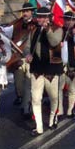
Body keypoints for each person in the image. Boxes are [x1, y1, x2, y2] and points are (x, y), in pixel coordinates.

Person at [25, 7, 63, 136]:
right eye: (38, 17)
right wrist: (27, 55)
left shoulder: (58, 29)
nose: (39, 19)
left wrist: (47, 30)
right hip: (36, 68)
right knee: (36, 98)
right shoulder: (34, 30)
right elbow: (28, 46)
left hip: (51, 68)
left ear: (48, 17)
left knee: (53, 97)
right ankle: (39, 127)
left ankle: (53, 118)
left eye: (42, 17)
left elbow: (54, 42)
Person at [8, 3, 36, 119]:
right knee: (19, 84)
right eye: (23, 11)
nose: (25, 13)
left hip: (30, 58)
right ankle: (22, 98)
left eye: (27, 11)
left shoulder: (36, 24)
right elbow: (8, 35)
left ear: (31, 12)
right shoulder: (16, 24)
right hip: (18, 58)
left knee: (28, 85)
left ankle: (26, 108)